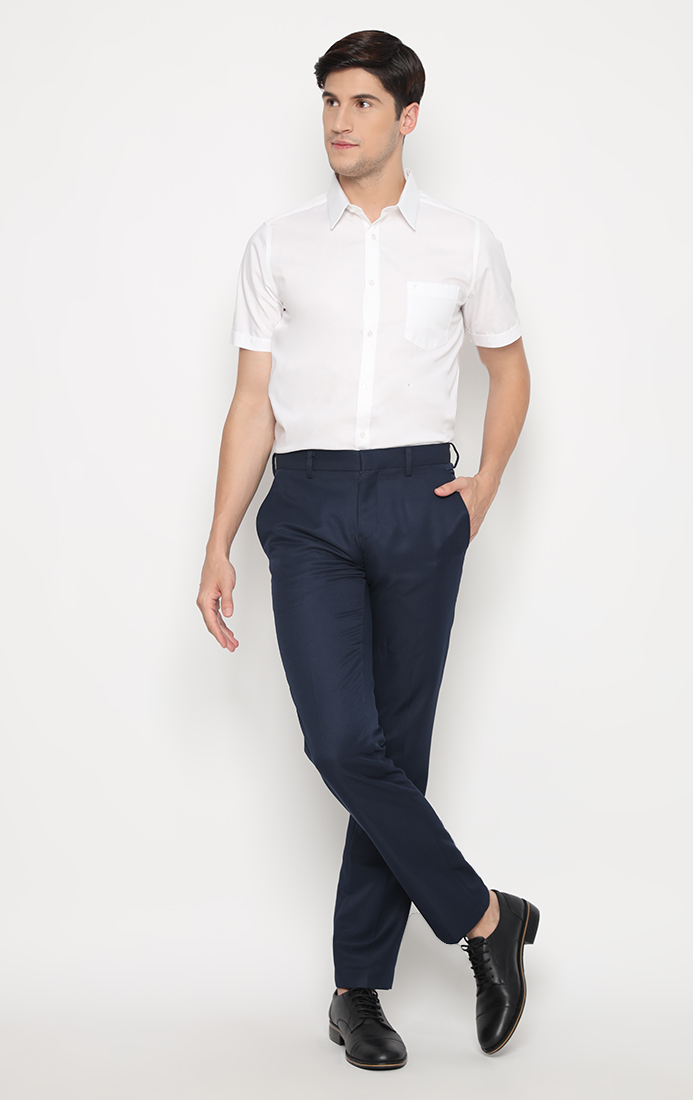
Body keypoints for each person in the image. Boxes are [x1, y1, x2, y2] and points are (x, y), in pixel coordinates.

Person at [197, 29, 538, 1071]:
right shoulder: (279, 244)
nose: (340, 122)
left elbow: (510, 369)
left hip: (416, 498)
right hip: (306, 503)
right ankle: (486, 917)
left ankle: (357, 991)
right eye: (330, 102)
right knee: (344, 744)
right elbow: (252, 402)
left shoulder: (464, 243)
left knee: (397, 745)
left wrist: (483, 483)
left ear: (407, 116)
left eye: (361, 103)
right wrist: (217, 538)